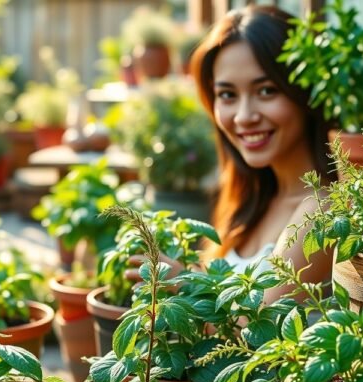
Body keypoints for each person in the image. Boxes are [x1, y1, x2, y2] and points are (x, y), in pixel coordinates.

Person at [128, 5, 334, 305]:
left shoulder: (322, 209)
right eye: (227, 95)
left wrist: (183, 283)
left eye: (265, 91)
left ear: (304, 93)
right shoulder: (252, 199)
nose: (243, 116)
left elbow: (258, 329)